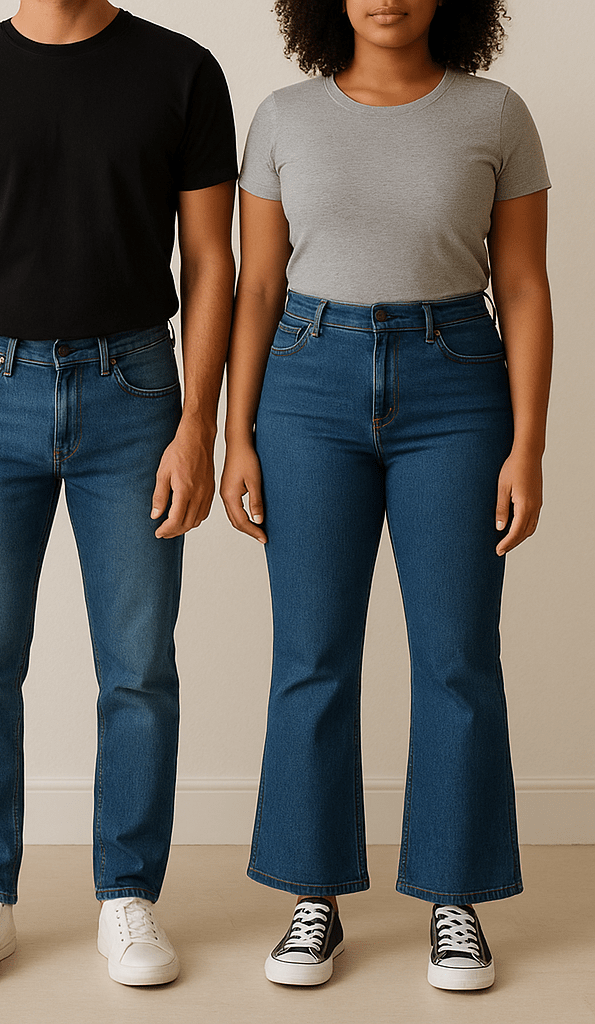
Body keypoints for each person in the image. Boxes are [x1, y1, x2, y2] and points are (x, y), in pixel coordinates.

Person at [0, 0, 236, 988]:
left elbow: (211, 258)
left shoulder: (181, 70)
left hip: (134, 393)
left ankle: (127, 898)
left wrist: (197, 425)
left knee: (136, 665)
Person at [221, 0, 552, 992]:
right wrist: (236, 432)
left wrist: (528, 446)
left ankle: (455, 899)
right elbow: (256, 289)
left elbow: (526, 286)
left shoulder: (494, 114)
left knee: (456, 656)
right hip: (305, 387)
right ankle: (311, 897)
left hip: (455, 384)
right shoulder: (282, 116)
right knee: (310, 653)